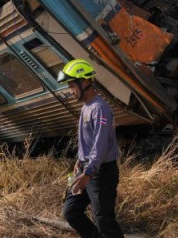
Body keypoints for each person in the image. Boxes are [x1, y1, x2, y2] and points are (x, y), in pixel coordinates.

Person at [59, 58, 124, 238]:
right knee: (71, 212)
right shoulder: (86, 107)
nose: (70, 91)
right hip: (86, 169)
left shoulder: (99, 108)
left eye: (72, 85)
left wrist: (88, 173)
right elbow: (87, 142)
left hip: (100, 173)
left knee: (105, 221)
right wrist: (79, 162)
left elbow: (100, 144)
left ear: (85, 82)